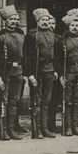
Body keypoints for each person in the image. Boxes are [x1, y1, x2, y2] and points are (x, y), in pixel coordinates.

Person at [0, 5, 26, 140]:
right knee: (3, 102)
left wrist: (24, 73)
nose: (14, 21)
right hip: (5, 72)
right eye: (11, 19)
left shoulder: (21, 34)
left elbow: (25, 56)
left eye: (16, 19)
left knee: (14, 101)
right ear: (5, 21)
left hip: (18, 72)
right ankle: (3, 131)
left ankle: (11, 129)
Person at [24, 8, 58, 139]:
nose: (45, 22)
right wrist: (30, 74)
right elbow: (27, 57)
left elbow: (54, 55)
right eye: (42, 20)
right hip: (37, 71)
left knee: (46, 101)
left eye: (47, 20)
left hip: (49, 70)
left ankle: (44, 129)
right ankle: (36, 129)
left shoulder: (52, 35)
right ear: (37, 21)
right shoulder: (32, 35)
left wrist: (54, 69)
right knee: (36, 101)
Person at [58, 14, 78, 136]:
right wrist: (61, 75)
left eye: (77, 25)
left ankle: (76, 126)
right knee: (68, 99)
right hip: (68, 71)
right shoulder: (62, 41)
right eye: (72, 25)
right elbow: (59, 60)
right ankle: (68, 126)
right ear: (68, 26)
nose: (75, 28)